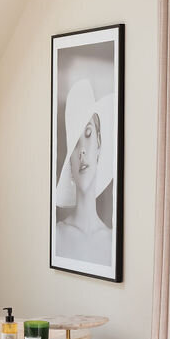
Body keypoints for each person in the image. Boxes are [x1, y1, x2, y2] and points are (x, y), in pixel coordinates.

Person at [54, 77, 115, 266]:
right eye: (74, 144)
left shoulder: (112, 241)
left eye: (87, 134)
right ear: (69, 167)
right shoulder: (57, 235)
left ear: (99, 142)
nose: (81, 150)